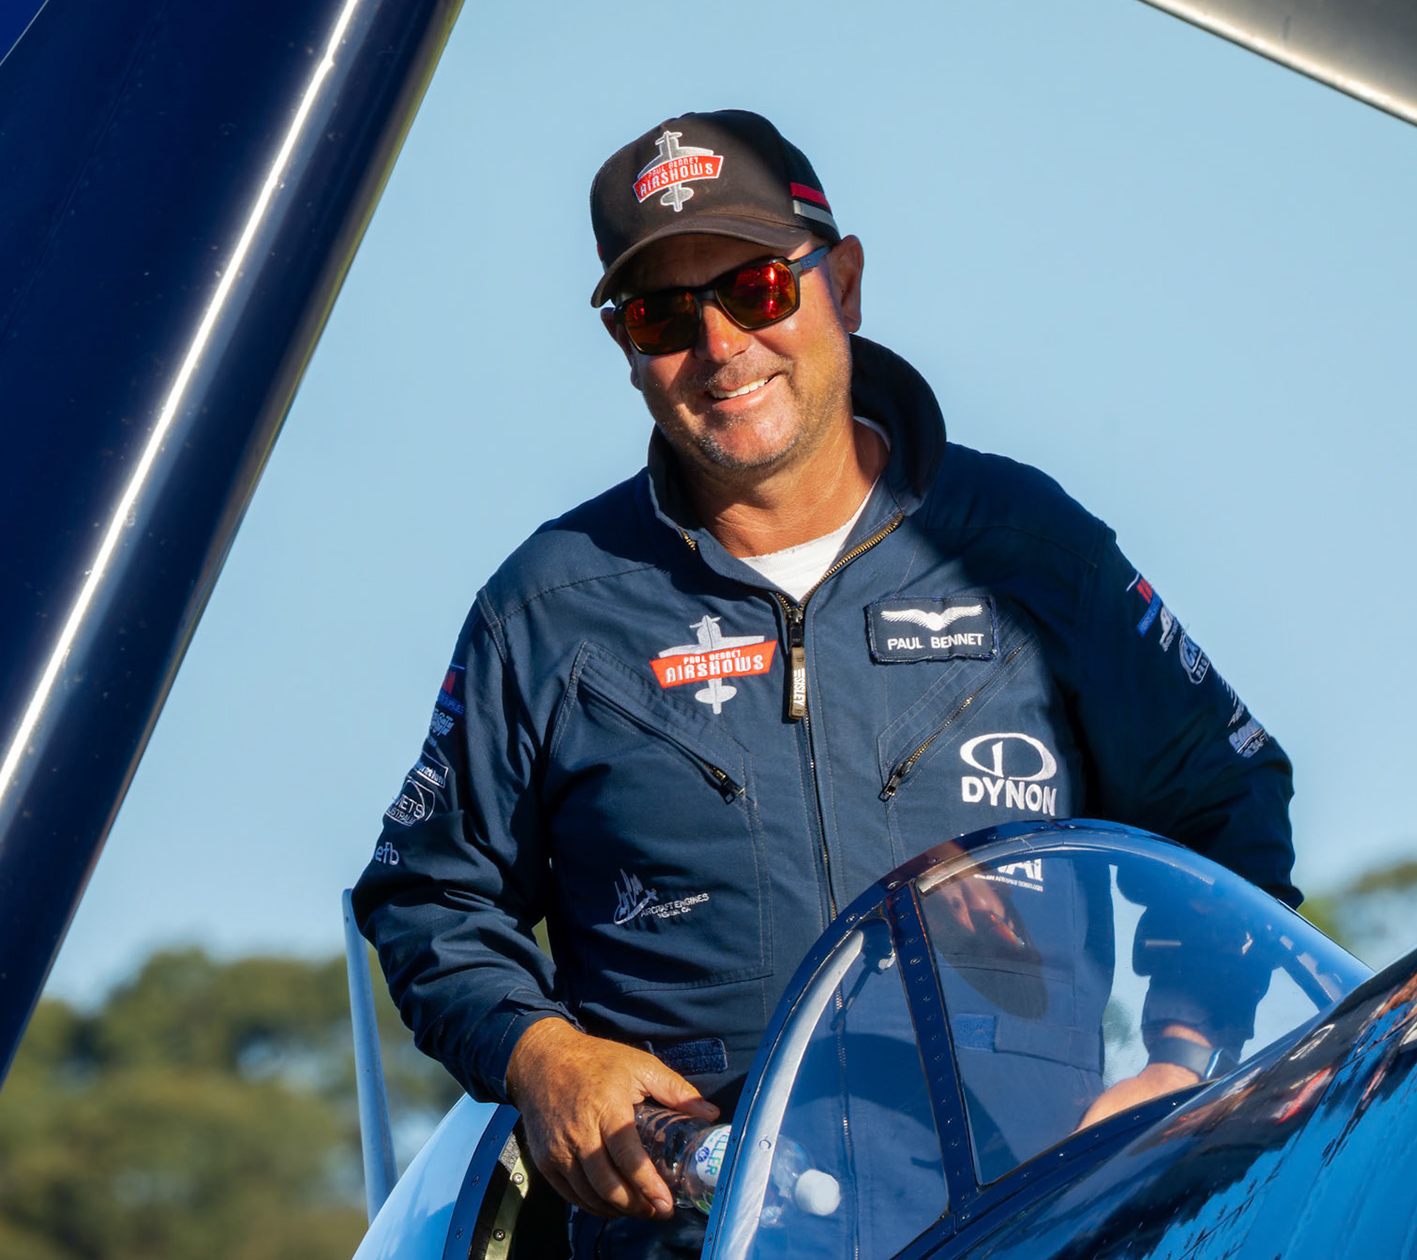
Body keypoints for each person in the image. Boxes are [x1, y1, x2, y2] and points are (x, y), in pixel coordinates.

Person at [352, 109, 1299, 1255]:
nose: (720, 345)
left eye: (755, 289)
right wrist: (542, 1054)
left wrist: (1182, 1057)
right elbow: (427, 895)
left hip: (1027, 1228)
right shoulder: (548, 610)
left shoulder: (1028, 549)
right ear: (623, 345)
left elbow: (1227, 794)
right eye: (662, 315)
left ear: (842, 283)